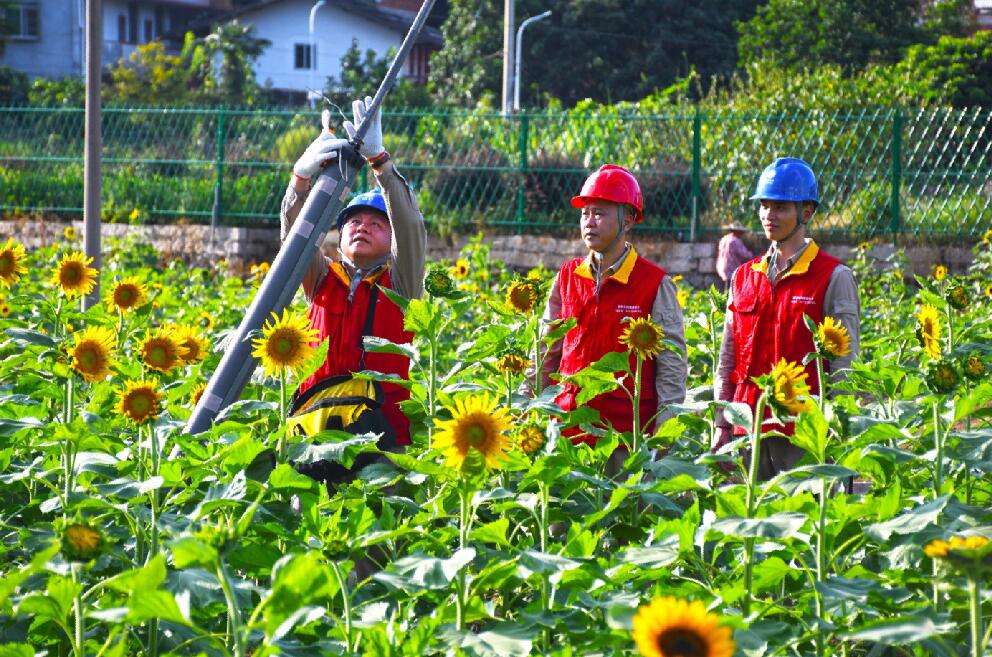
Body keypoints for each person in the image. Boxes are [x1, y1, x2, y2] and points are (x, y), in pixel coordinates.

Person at [280, 96, 426, 486]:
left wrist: (381, 164)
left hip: (382, 437)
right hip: (314, 431)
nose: (362, 226)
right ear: (339, 235)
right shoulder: (322, 279)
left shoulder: (401, 283)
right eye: (353, 221)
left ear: (391, 238)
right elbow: (296, 238)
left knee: (374, 535)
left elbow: (411, 227)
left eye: (376, 223)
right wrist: (299, 182)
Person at [713, 158, 860, 480]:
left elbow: (844, 366)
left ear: (806, 213)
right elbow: (727, 359)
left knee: (802, 523)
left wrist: (839, 430)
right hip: (746, 428)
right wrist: (721, 421)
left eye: (780, 207)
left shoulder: (833, 276)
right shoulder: (743, 277)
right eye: (764, 206)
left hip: (803, 433)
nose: (769, 215)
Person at [538, 164, 687, 458]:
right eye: (585, 213)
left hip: (625, 438)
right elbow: (546, 351)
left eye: (599, 213)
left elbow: (672, 364)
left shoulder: (654, 283)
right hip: (568, 432)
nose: (589, 222)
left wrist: (665, 429)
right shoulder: (567, 277)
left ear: (628, 220)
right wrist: (532, 408)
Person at [716, 221, 754, 290]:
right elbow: (745, 255)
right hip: (731, 268)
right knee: (729, 289)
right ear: (737, 232)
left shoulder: (724, 239)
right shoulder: (736, 241)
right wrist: (751, 254)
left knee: (722, 289)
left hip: (721, 267)